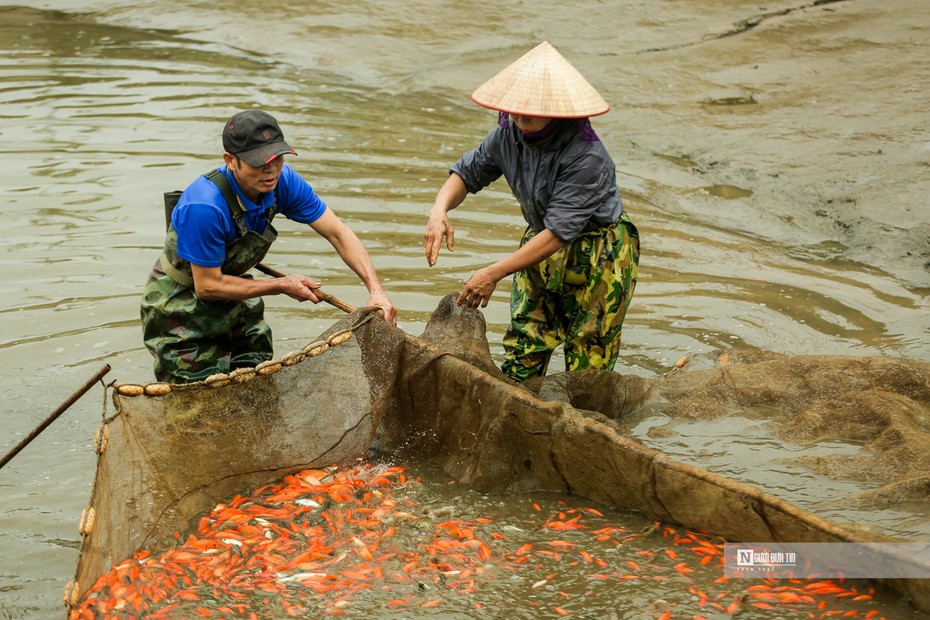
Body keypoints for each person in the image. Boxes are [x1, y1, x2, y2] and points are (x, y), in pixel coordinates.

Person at [423, 42, 639, 383]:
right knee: (525, 344)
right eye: (514, 111)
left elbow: (558, 234)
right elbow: (466, 173)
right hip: (538, 242)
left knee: (589, 356)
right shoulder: (507, 135)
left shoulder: (587, 157)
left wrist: (492, 272)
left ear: (557, 113)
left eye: (529, 113)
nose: (519, 119)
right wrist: (439, 210)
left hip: (598, 252)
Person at [142, 109, 396, 384]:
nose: (271, 169)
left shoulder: (282, 182)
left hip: (236, 293)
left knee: (258, 378)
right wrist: (281, 285)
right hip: (182, 304)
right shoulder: (204, 205)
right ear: (231, 161)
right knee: (196, 400)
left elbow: (338, 233)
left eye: (277, 158)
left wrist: (376, 290)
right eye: (259, 162)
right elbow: (208, 286)